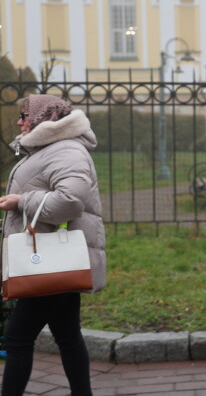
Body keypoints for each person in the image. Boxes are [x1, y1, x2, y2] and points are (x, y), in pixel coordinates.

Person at [0, 94, 106, 396]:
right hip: (55, 259)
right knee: (68, 335)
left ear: (44, 118)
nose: (19, 122)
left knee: (17, 337)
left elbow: (71, 202)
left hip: (48, 259)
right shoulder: (50, 149)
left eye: (24, 115)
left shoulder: (66, 150)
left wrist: (22, 201)